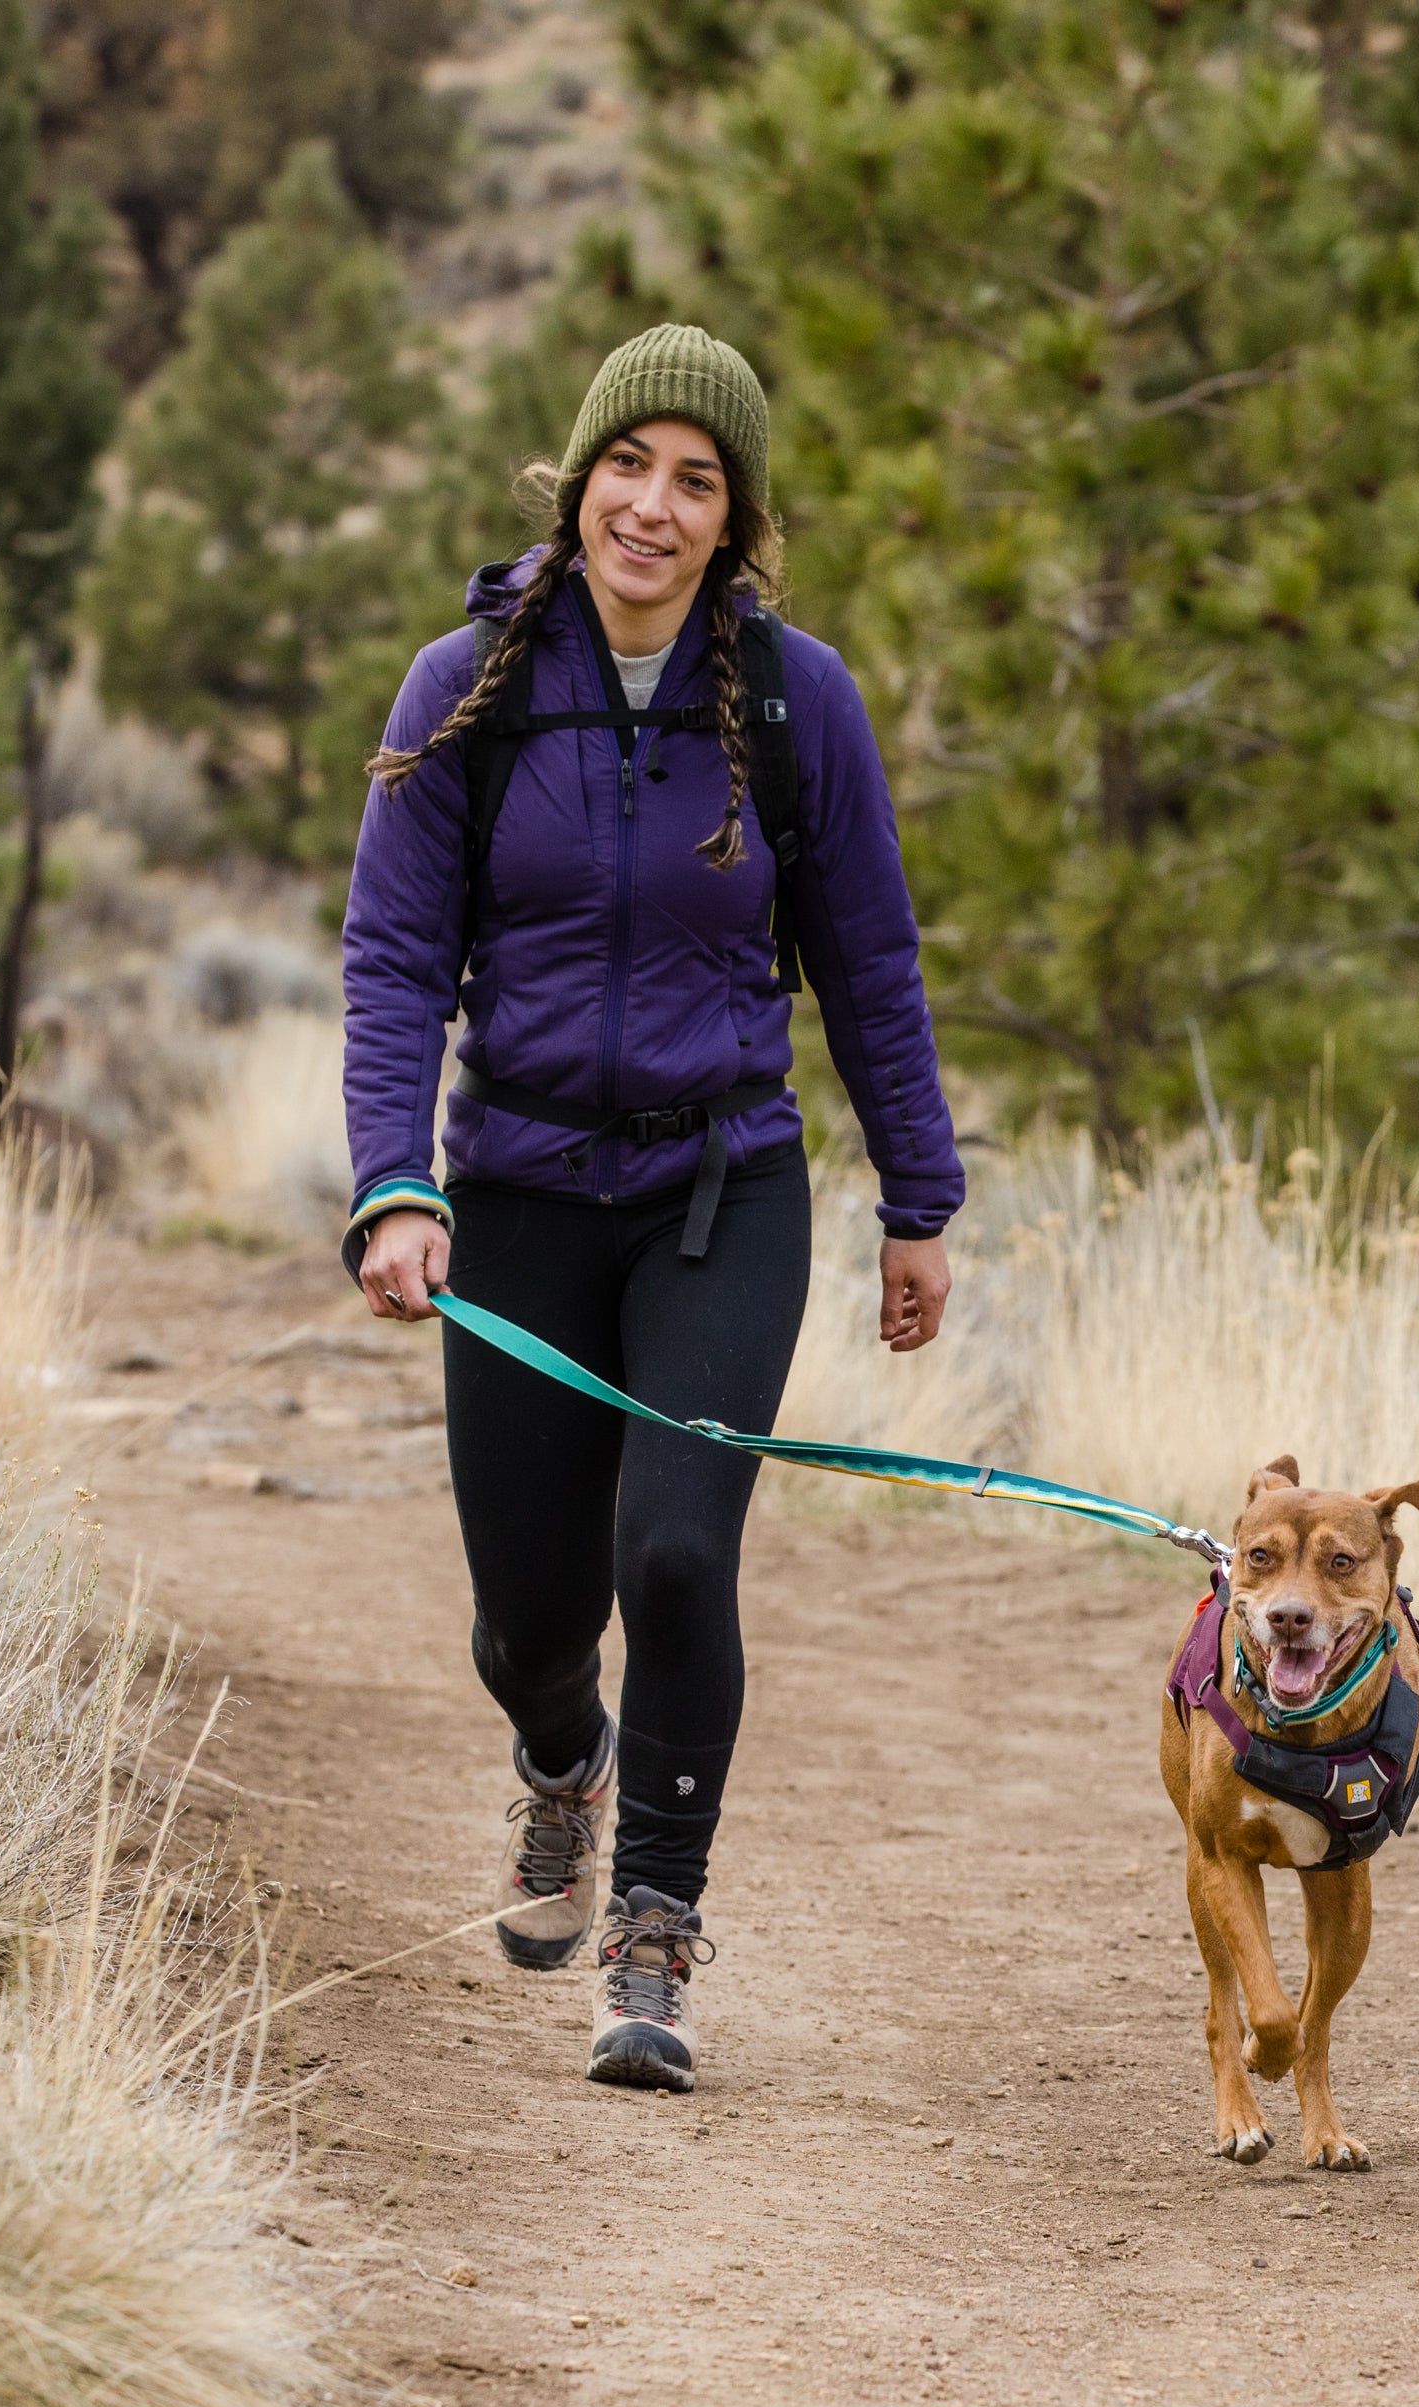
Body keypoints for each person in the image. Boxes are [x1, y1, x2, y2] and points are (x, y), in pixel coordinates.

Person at [340, 325, 963, 2092]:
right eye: (634, 466)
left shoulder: (791, 700)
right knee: (529, 1621)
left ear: (734, 519)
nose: (656, 507)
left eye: (699, 481)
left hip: (720, 1191)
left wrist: (918, 1198)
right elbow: (393, 956)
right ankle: (560, 1761)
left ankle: (656, 1929)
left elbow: (868, 960)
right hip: (521, 1195)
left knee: (678, 1551)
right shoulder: (469, 684)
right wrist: (395, 1182)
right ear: (581, 475)